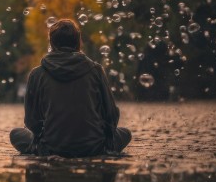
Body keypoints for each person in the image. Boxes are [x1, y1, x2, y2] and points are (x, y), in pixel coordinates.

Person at [10, 19, 131, 157]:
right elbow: (111, 115)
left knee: (16, 134)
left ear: (52, 43)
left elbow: (31, 121)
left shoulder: (37, 74)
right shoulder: (96, 70)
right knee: (126, 133)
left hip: (51, 148)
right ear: (79, 42)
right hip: (94, 147)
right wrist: (104, 137)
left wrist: (44, 136)